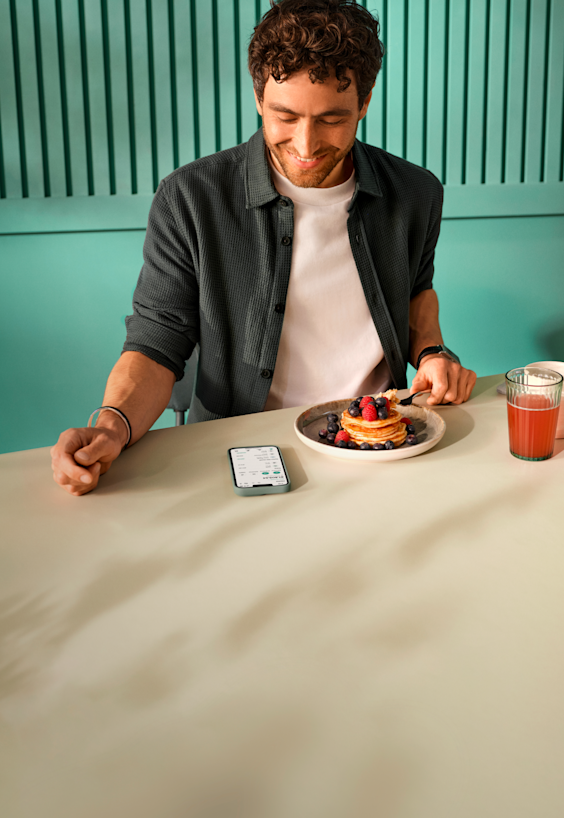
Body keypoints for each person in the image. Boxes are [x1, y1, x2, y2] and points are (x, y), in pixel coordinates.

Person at [51, 0, 476, 496]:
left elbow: (416, 293)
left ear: (365, 101)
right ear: (258, 97)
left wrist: (432, 351)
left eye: (332, 119)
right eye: (285, 116)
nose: (306, 144)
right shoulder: (191, 198)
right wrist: (111, 426)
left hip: (379, 446)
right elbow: (156, 341)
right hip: (245, 455)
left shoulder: (416, 192)